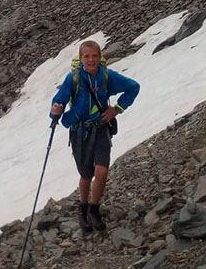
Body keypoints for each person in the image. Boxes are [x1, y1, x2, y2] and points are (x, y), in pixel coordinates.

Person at [50, 40, 140, 232]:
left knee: (101, 170)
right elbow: (59, 101)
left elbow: (134, 87)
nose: (91, 60)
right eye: (86, 56)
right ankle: (82, 209)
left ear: (100, 57)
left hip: (100, 129)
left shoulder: (107, 77)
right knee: (86, 174)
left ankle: (94, 209)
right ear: (81, 59)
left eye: (94, 56)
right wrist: (55, 111)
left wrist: (117, 109)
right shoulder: (73, 79)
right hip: (79, 131)